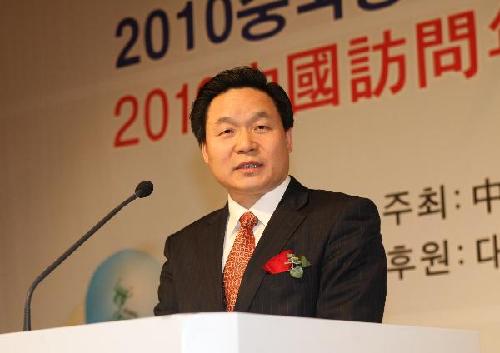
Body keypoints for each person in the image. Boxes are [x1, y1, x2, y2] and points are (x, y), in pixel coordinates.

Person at [154, 66, 387, 322]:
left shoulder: (342, 220)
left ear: (288, 138)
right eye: (226, 132)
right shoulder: (184, 248)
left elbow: (348, 337)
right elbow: (167, 342)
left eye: (261, 127)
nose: (245, 145)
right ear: (205, 151)